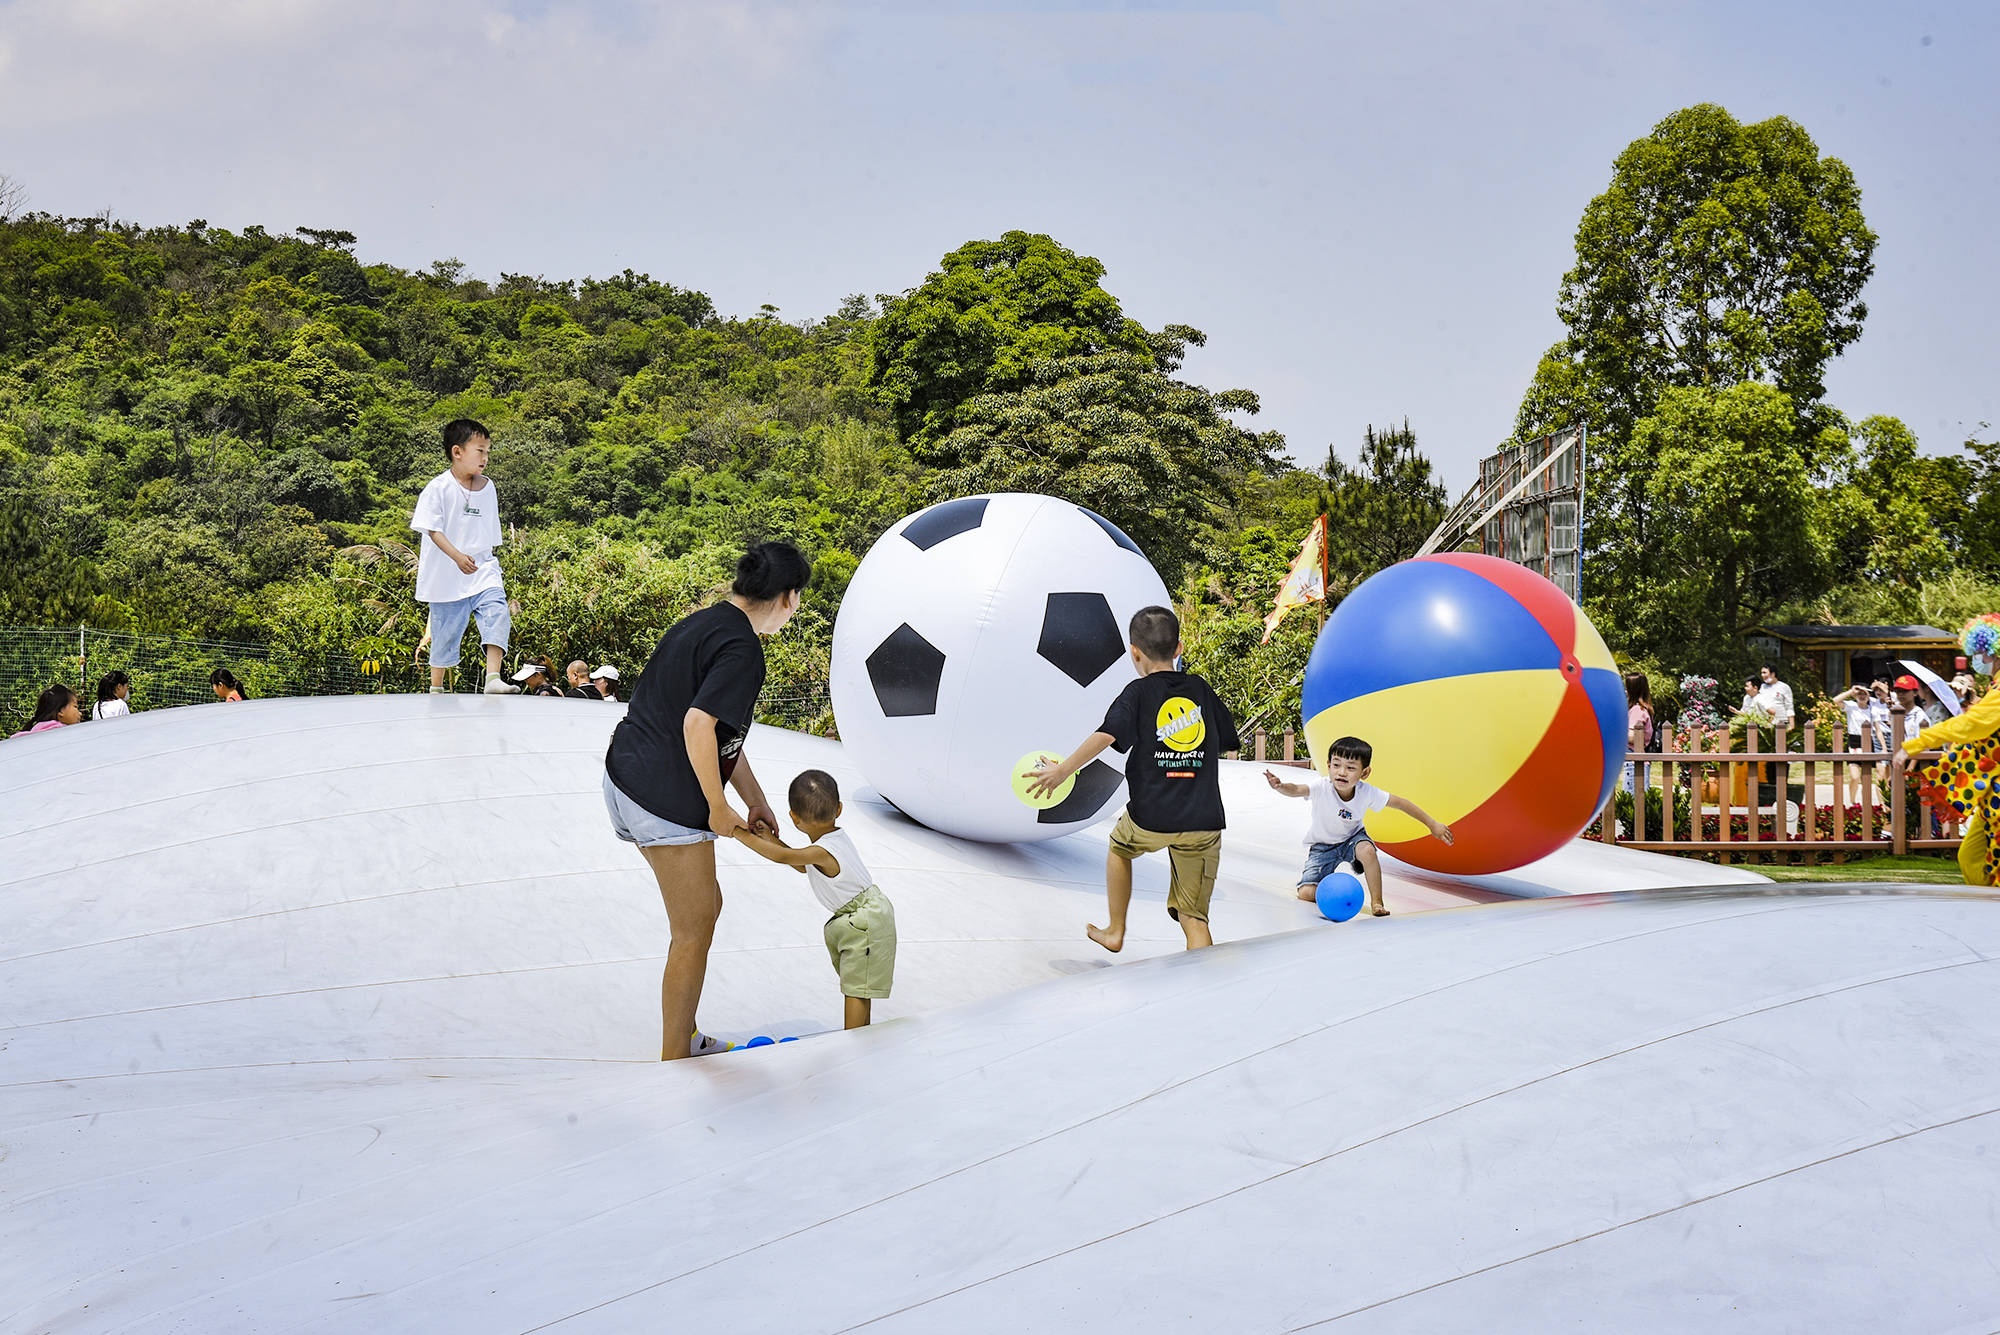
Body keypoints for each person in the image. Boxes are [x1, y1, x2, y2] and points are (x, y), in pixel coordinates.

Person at [603, 540, 811, 1060]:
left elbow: (720, 738)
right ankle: (677, 1055)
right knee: (693, 929)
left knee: (706, 906)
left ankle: (686, 1033)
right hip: (662, 794)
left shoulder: (705, 621)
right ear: (788, 597)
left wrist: (755, 800)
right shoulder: (744, 651)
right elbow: (699, 725)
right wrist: (719, 808)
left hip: (624, 777)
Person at [1023, 605, 1238, 953]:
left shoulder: (1138, 693)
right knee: (1194, 917)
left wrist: (1062, 771)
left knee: (1120, 848)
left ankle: (1115, 930)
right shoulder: (1201, 690)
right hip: (1203, 818)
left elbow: (1107, 734)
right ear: (1179, 648)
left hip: (1151, 815)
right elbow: (1224, 741)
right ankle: (1206, 985)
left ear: (1134, 653)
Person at [730, 769, 897, 1030]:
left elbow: (785, 858)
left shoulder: (820, 850)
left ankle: (855, 1043)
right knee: (859, 985)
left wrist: (737, 832)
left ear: (794, 818)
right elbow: (799, 862)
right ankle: (862, 1039)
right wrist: (771, 838)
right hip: (867, 918)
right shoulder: (833, 839)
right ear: (839, 809)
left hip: (864, 920)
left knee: (856, 988)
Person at [1264, 737, 1453, 917]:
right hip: (1323, 847)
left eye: (1350, 768)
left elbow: (1401, 803)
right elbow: (1297, 789)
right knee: (1306, 893)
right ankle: (1331, 884)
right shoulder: (1322, 787)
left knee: (1368, 851)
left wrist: (1432, 824)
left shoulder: (1367, 792)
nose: (1342, 772)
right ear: (1328, 766)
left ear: (1364, 773)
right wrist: (1280, 786)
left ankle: (1377, 902)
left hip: (1352, 838)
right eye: (1336, 765)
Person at [412, 419, 518, 696]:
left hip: (482, 568)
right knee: (445, 632)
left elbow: (487, 532)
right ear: (457, 452)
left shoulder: (489, 487)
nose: (485, 457)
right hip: (446, 575)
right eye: (480, 450)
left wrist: (475, 558)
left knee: (497, 611)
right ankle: (436, 687)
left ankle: (493, 677)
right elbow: (432, 530)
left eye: (488, 451)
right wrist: (457, 557)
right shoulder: (437, 488)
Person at [1622, 673, 1654, 795]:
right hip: (1637, 761)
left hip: (1634, 762)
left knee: (1632, 802)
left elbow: (1632, 736)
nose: (1625, 691)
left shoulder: (1636, 710)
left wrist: (1615, 734)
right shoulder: (1642, 709)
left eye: (1627, 687)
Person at [11, 684, 82, 738]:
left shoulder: (35, 730)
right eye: (75, 706)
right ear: (60, 711)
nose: (80, 713)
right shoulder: (60, 731)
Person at [1754, 663, 1795, 728]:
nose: (1762, 675)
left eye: (1764, 673)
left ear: (1773, 674)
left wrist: (1792, 726)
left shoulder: (1784, 687)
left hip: (1781, 723)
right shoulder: (1762, 687)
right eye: (1761, 673)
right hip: (1765, 724)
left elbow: (1789, 707)